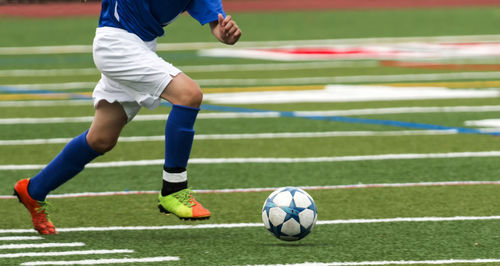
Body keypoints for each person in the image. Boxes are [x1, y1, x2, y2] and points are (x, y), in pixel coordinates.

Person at [13, 0, 242, 235]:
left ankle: (33, 190)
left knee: (101, 139)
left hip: (141, 47)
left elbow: (216, 23)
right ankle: (174, 188)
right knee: (189, 94)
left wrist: (225, 34)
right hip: (116, 44)